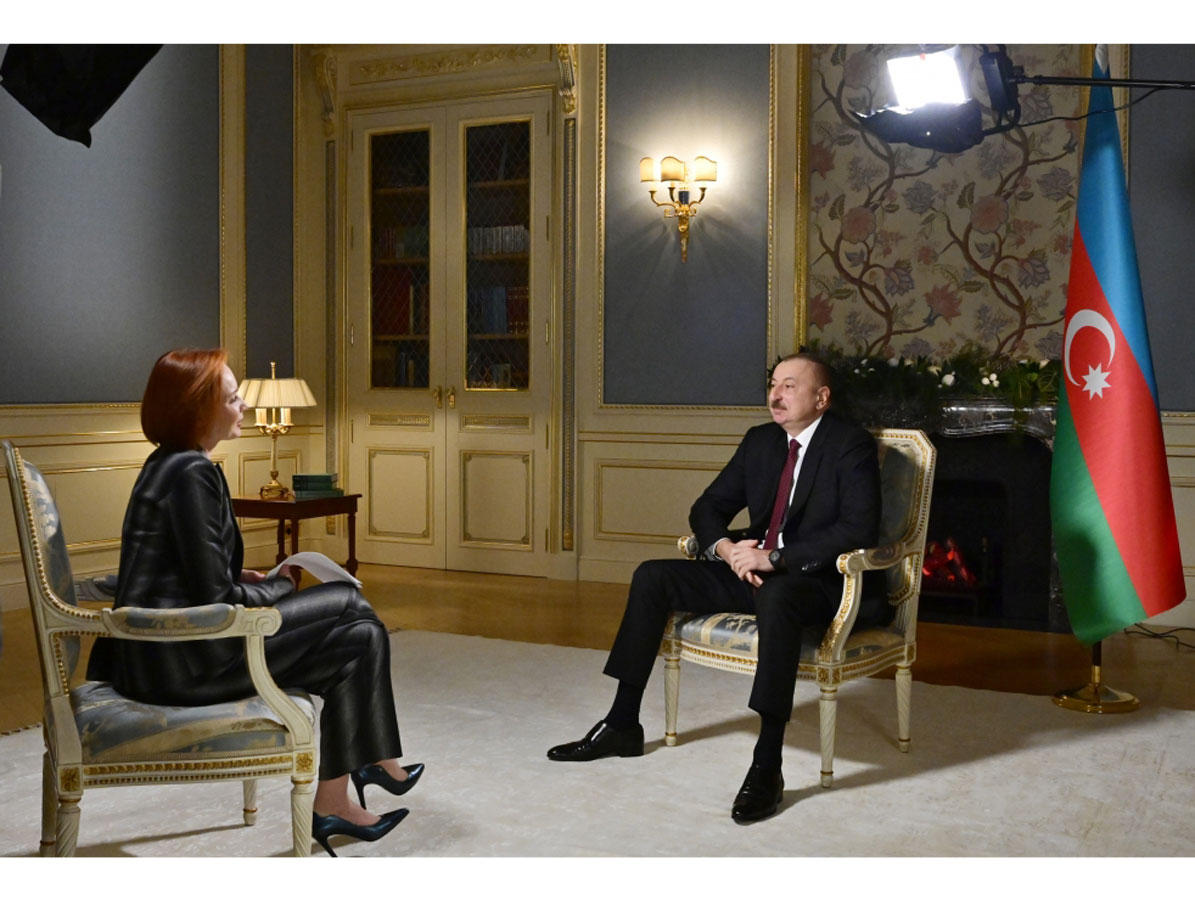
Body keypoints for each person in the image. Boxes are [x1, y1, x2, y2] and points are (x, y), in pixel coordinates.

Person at [86, 348, 423, 856]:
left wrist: (240, 574)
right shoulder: (190, 473)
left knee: (360, 637)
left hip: (164, 656)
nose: (243, 405)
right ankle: (372, 763)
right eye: (232, 398)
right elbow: (217, 601)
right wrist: (281, 584)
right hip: (187, 662)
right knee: (347, 601)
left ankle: (337, 799)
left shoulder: (166, 465)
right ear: (199, 410)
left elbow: (189, 573)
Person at [547, 351, 885, 824]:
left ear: (821, 397)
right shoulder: (760, 441)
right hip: (750, 572)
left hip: (817, 582)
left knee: (779, 595)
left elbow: (857, 529)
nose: (775, 394)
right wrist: (727, 550)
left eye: (789, 386)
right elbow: (706, 508)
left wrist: (775, 559)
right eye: (773, 384)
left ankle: (767, 764)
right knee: (653, 576)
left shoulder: (849, 445)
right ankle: (622, 723)